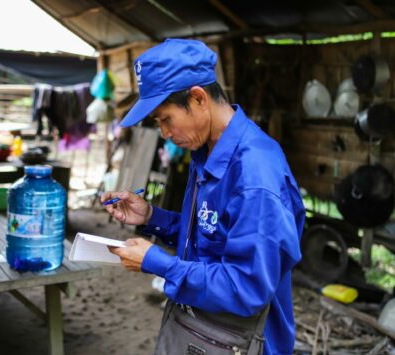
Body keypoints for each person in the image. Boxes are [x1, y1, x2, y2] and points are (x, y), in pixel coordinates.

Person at [101, 38, 305, 355]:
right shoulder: (207, 152)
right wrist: (152, 217)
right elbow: (214, 233)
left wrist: (159, 263)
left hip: (244, 342)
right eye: (158, 123)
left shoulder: (255, 175)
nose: (165, 134)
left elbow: (246, 287)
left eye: (166, 119)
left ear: (198, 98)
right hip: (207, 333)